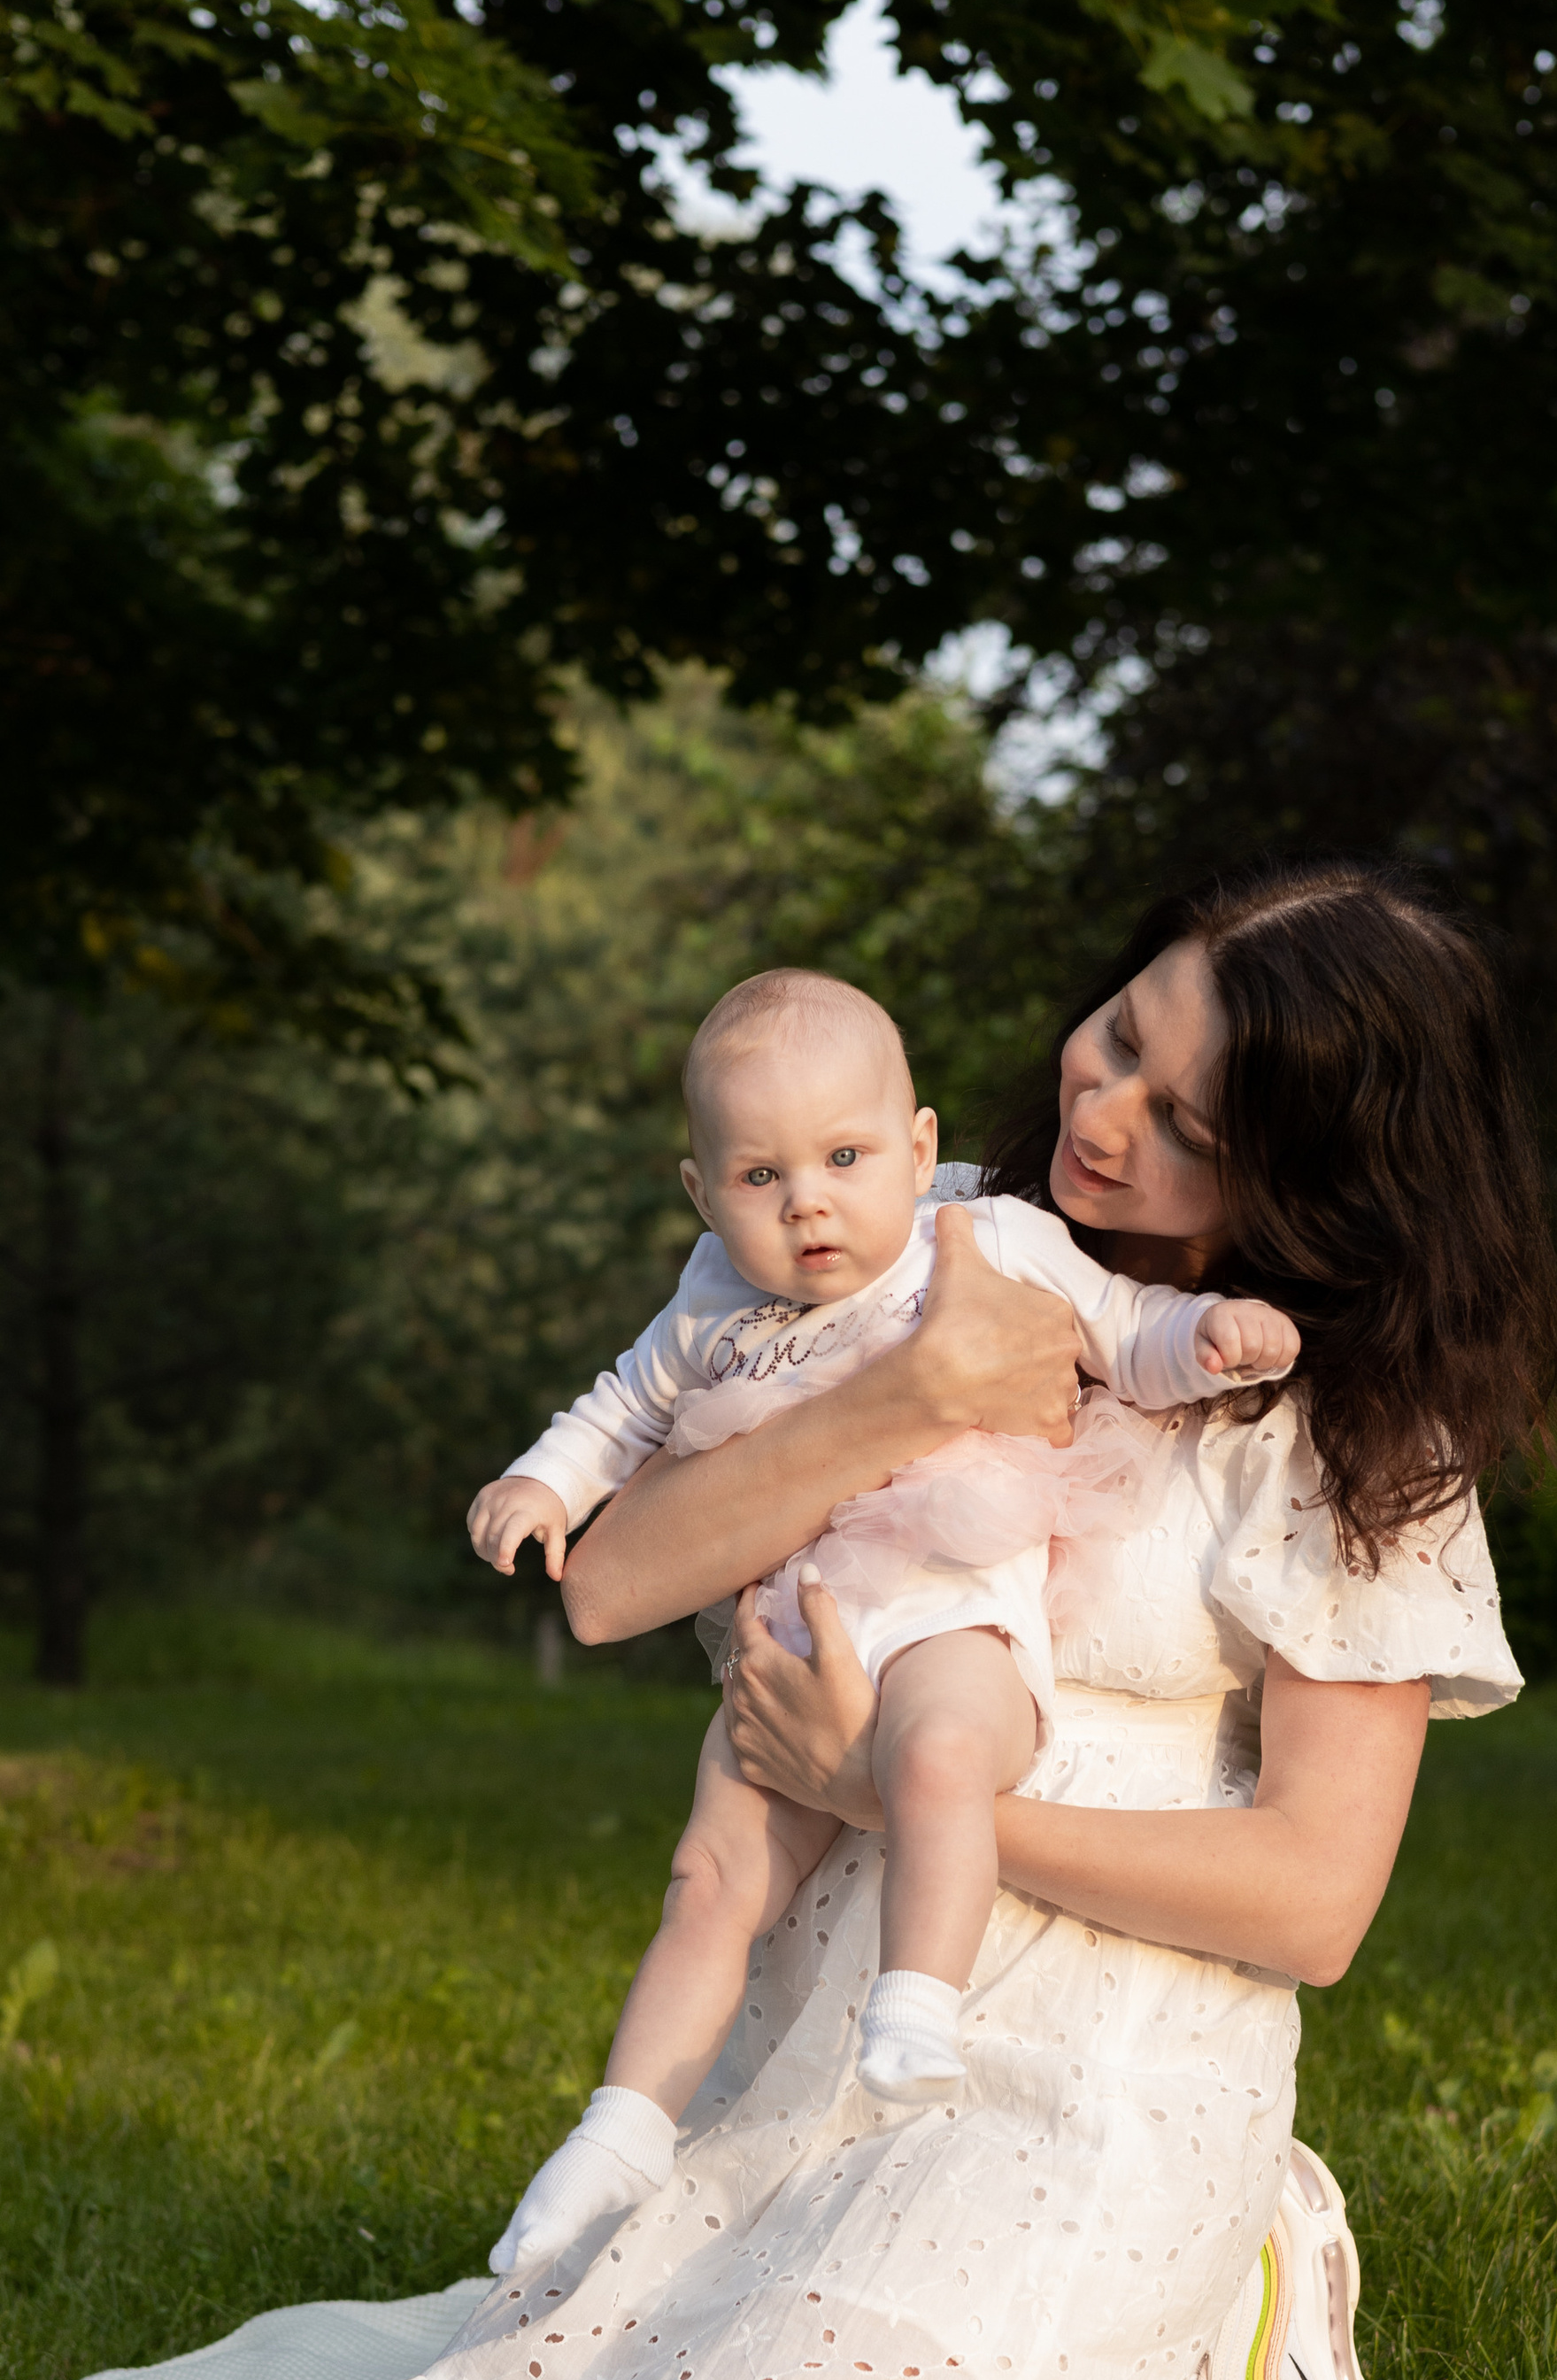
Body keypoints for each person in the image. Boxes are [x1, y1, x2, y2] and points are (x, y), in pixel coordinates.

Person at [150, 861, 1557, 2380]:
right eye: (1114, 1038)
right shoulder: (912, 1233)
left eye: (1181, 1120)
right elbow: (608, 1586)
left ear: (1311, 1180)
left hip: (1105, 2082)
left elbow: (1310, 1902)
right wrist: (914, 1388)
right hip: (837, 2028)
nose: (1098, 1116)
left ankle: (1224, 2278)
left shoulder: (1357, 1432)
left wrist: (882, 1791)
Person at [469, 965, 1300, 2254]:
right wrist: (542, 1482)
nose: (809, 1203)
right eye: (760, 1179)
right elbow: (623, 1407)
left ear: (919, 1152)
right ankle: (619, 2129)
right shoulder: (711, 1301)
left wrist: (1208, 1335)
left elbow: (1124, 1329)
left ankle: (916, 2005)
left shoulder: (983, 1238)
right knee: (709, 1870)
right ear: (702, 1194)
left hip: (949, 1596)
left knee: (941, 1757)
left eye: (845, 1157)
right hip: (797, 1627)